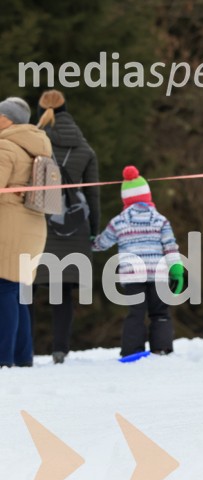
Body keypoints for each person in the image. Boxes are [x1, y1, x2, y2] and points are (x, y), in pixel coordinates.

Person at [32, 90, 100, 364]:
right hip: (73, 227)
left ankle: (25, 349)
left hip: (38, 223)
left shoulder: (34, 144)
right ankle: (60, 350)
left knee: (26, 290)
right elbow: (93, 195)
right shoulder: (84, 149)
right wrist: (93, 229)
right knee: (62, 294)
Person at [92, 166, 184, 358]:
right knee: (160, 313)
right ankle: (162, 348)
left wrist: (90, 241)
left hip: (132, 275)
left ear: (125, 198)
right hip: (158, 273)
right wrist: (176, 269)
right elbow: (170, 246)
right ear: (147, 196)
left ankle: (132, 351)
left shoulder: (119, 221)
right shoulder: (160, 220)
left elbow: (103, 243)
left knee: (136, 313)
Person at [0, 98, 52, 367]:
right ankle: (21, 357)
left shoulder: (6, 146)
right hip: (31, 226)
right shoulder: (37, 147)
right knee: (15, 290)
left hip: (8, 226)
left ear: (8, 119)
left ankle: (3, 358)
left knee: (4, 289)